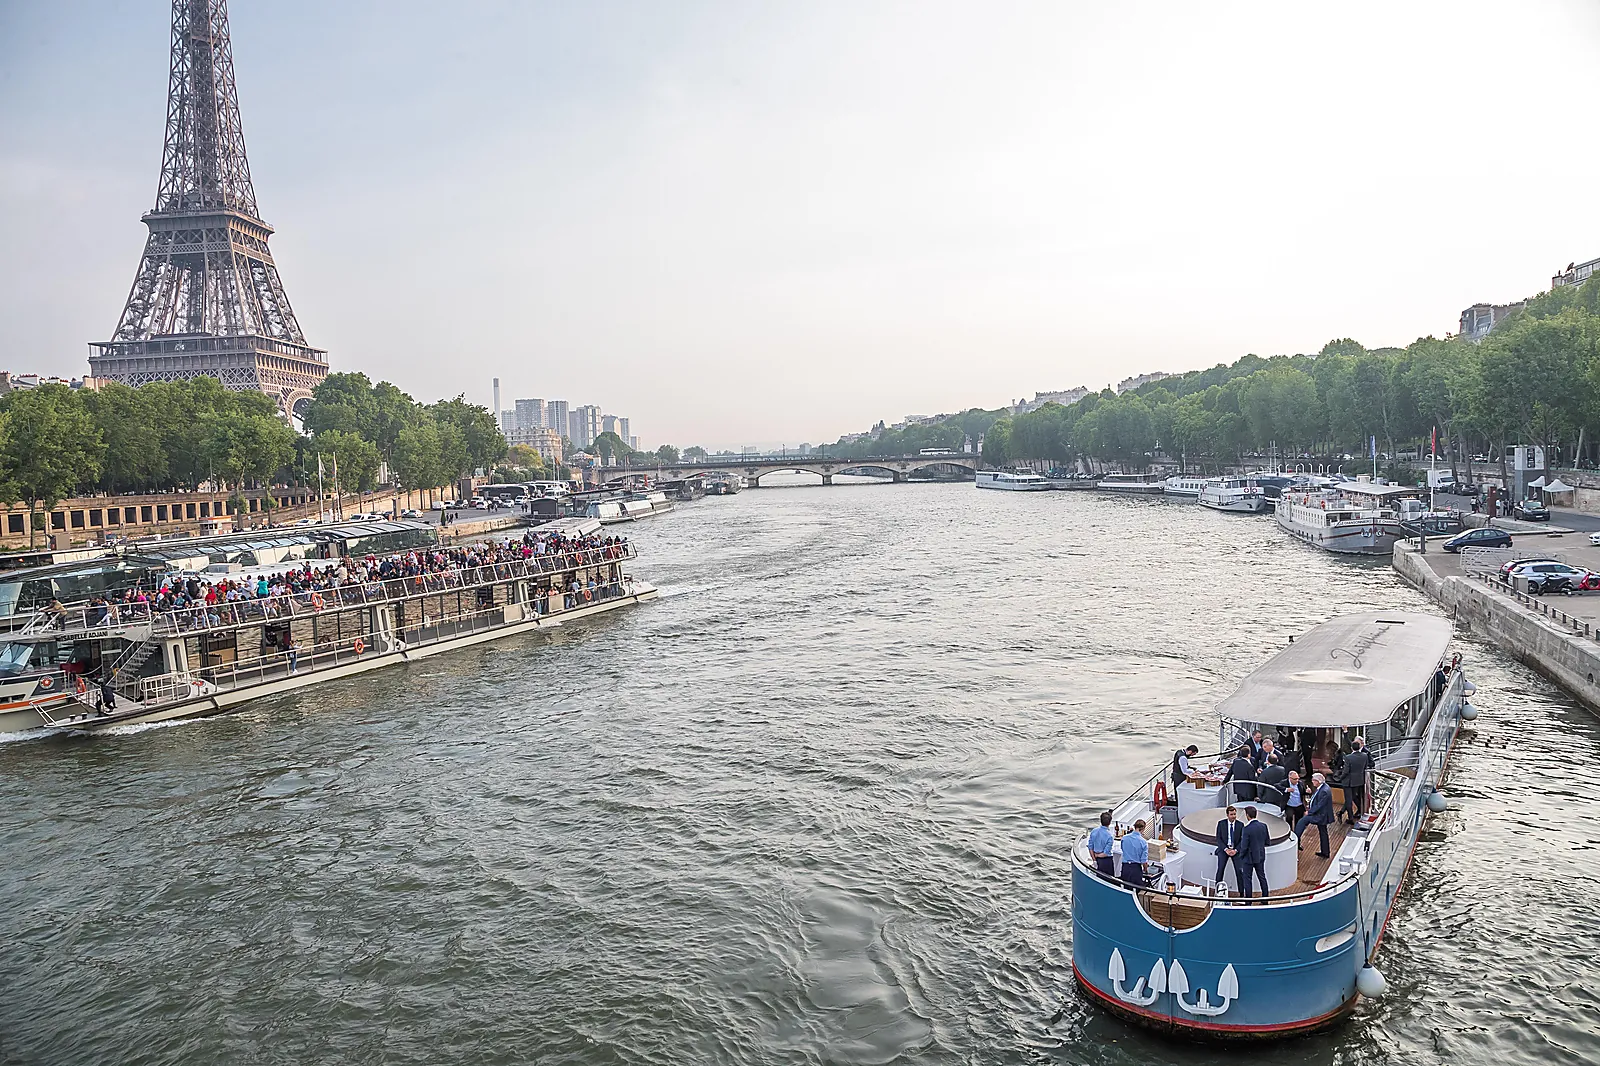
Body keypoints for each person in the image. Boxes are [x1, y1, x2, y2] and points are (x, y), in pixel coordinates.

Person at [1297, 773, 1335, 857]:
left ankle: (1296, 838)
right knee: (1323, 832)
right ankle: (1325, 852)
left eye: (1313, 780)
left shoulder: (1324, 791)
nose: (1312, 782)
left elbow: (1319, 805)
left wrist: (1309, 812)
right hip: (1322, 814)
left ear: (1318, 781)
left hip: (1321, 815)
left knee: (1303, 821)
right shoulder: (1323, 787)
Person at [1238, 806, 1271, 899]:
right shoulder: (1264, 826)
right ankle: (1265, 899)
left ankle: (1248, 901)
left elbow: (1244, 846)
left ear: (1247, 815)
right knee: (1262, 877)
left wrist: (1241, 856)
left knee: (1247, 880)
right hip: (1260, 856)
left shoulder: (1246, 829)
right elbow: (1267, 842)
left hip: (1248, 858)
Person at [1341, 736, 1374, 825]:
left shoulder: (1348, 757)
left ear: (1352, 748)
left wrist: (1341, 778)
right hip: (1359, 781)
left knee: (1348, 800)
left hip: (1349, 781)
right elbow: (1366, 766)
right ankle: (1346, 812)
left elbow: (1346, 771)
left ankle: (1350, 818)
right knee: (1353, 797)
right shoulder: (1364, 756)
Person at [1213, 805, 1243, 890]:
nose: (1233, 816)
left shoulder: (1240, 825)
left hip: (1235, 850)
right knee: (1220, 869)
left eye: (1234, 814)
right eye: (1231, 814)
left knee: (1239, 871)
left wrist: (1236, 850)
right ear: (1227, 815)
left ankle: (1241, 893)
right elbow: (1218, 838)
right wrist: (1226, 849)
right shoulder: (1221, 823)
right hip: (1224, 850)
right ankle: (1217, 890)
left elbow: (1242, 840)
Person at [1119, 820, 1150, 887]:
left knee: (1125, 887)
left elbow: (1122, 849)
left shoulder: (1124, 838)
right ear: (1143, 828)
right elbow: (1143, 861)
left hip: (1125, 867)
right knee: (1136, 889)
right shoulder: (1143, 842)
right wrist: (1145, 869)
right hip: (1136, 869)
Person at [1088, 812, 1116, 879]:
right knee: (1109, 880)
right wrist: (1097, 855)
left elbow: (1090, 847)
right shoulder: (1109, 836)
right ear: (1109, 822)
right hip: (1106, 862)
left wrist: (1094, 859)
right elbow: (1105, 853)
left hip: (1096, 859)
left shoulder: (1094, 831)